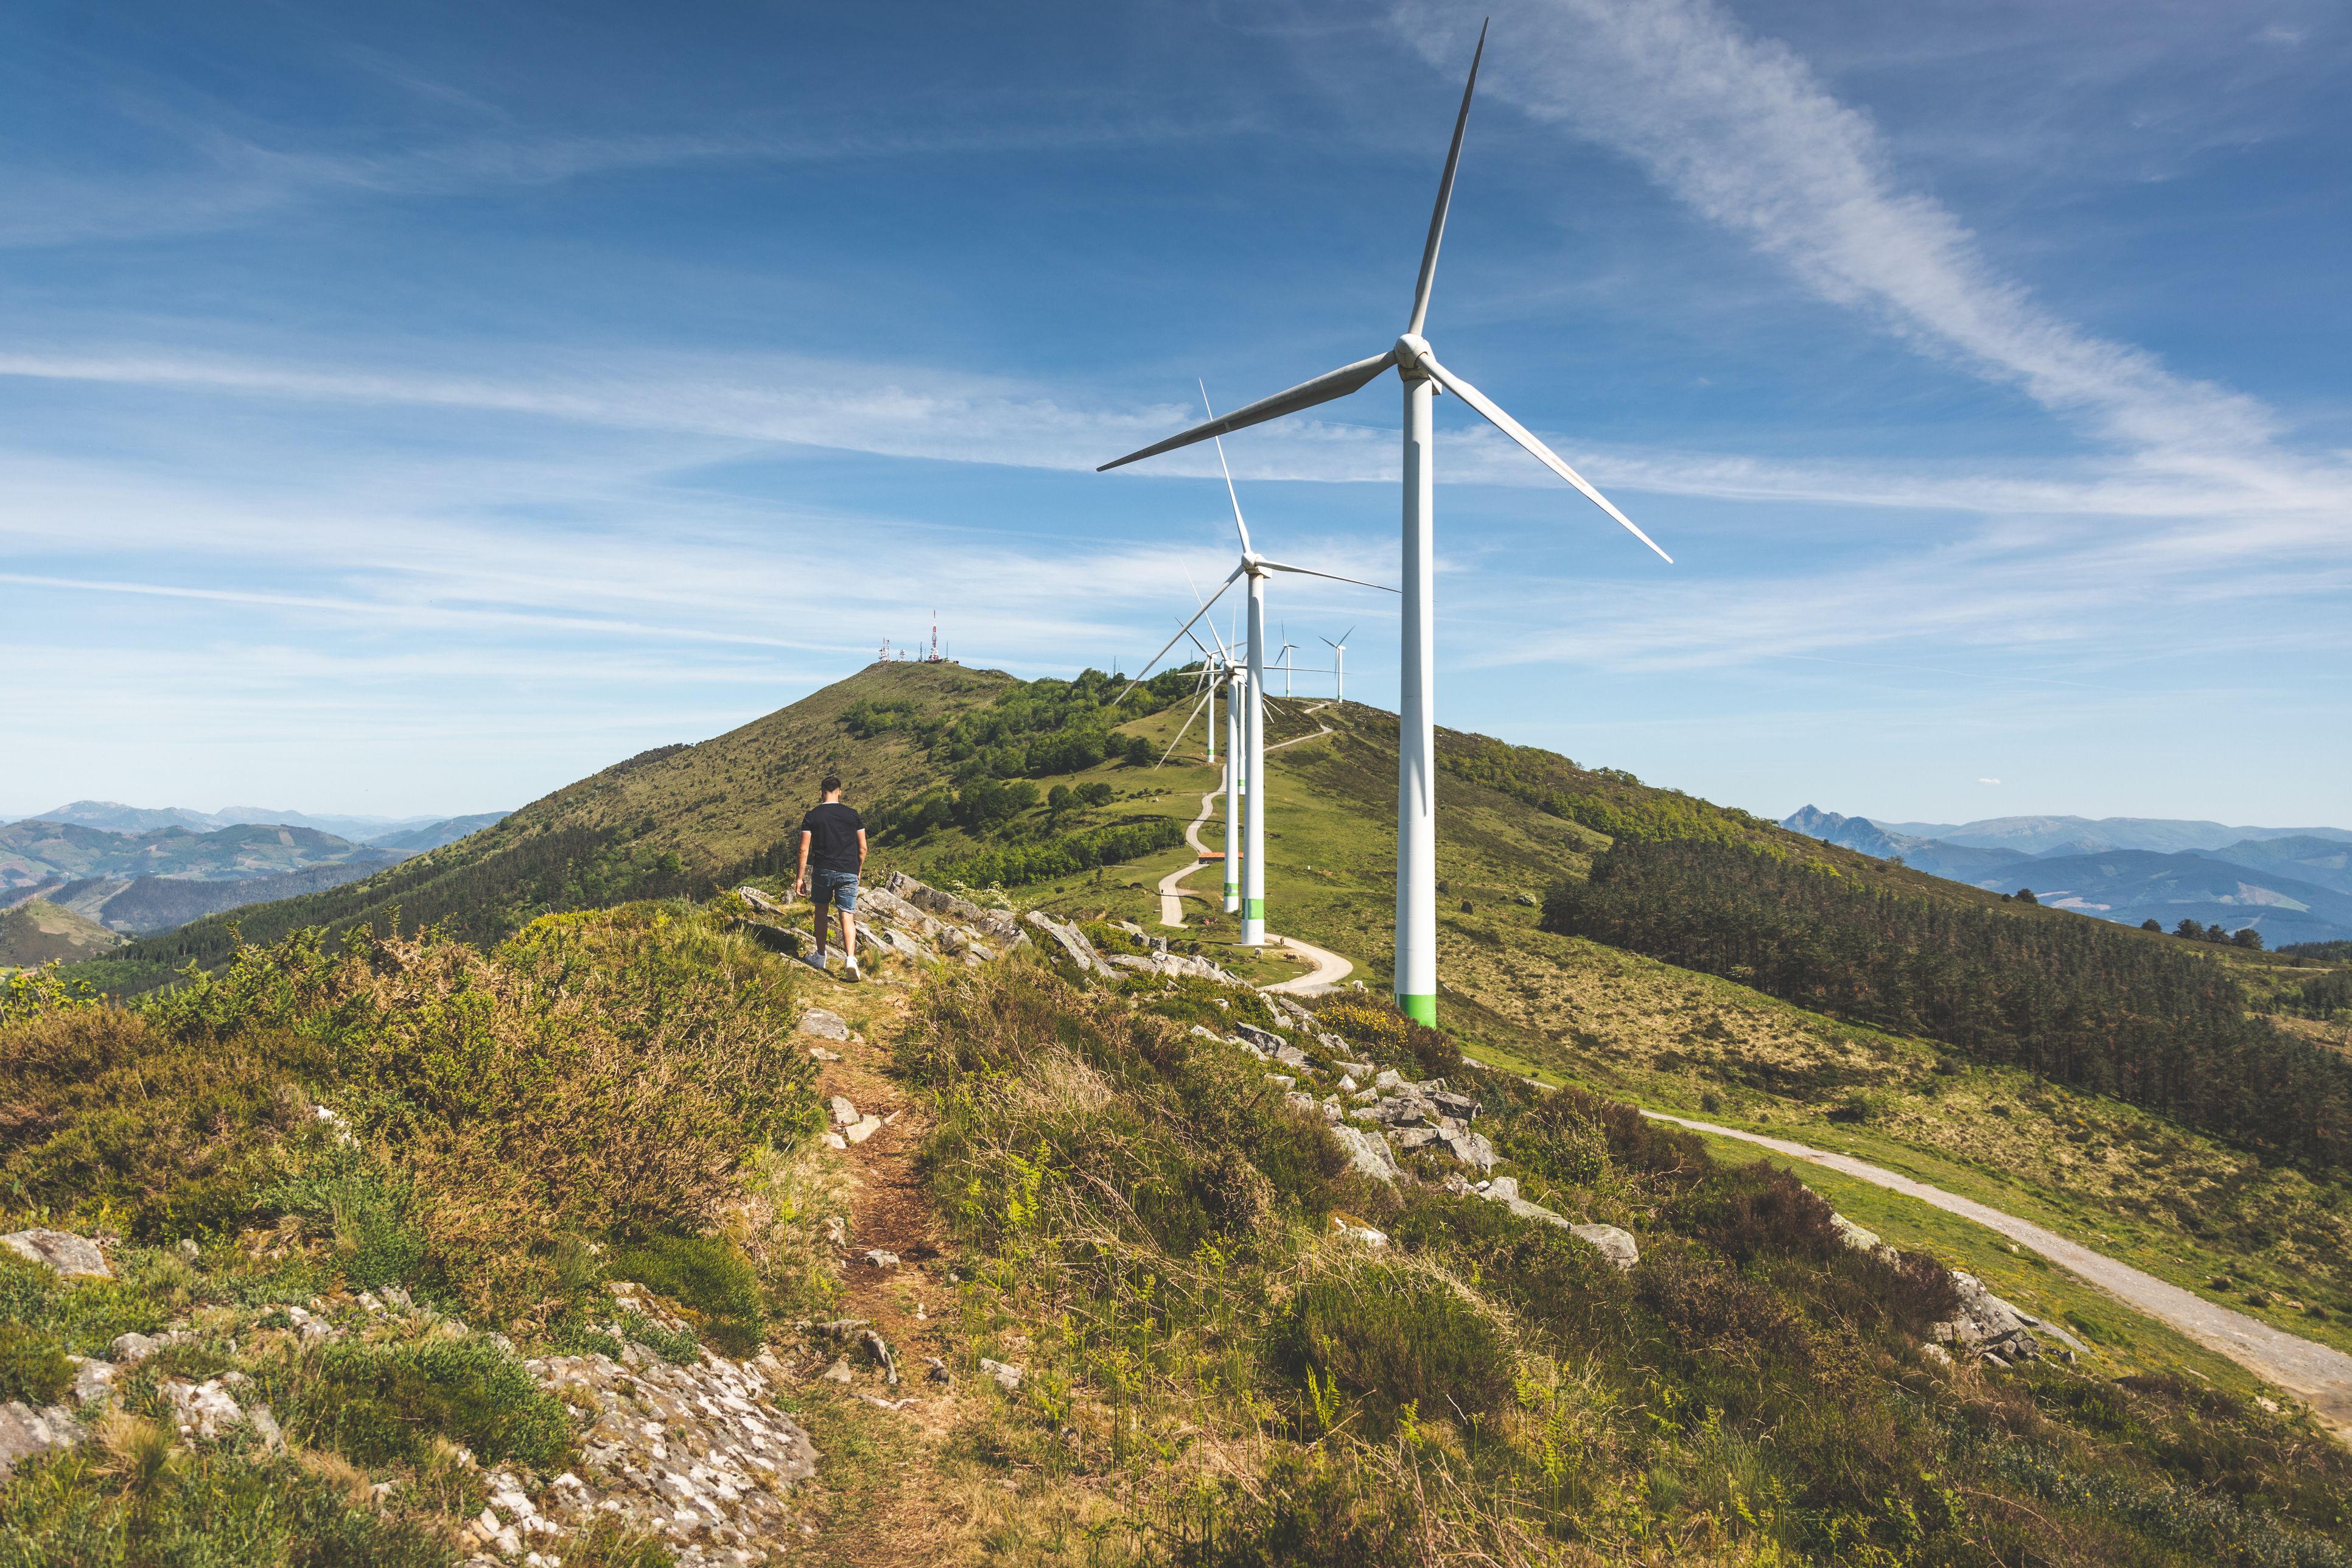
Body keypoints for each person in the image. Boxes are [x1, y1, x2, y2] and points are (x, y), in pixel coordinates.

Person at [793, 775, 867, 979]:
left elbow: (803, 851)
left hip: (823, 869)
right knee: (847, 915)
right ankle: (851, 959)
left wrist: (800, 878)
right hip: (849, 870)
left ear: (821, 793)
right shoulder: (853, 815)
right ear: (840, 792)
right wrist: (858, 869)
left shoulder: (812, 816)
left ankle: (820, 956)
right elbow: (862, 848)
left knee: (821, 912)